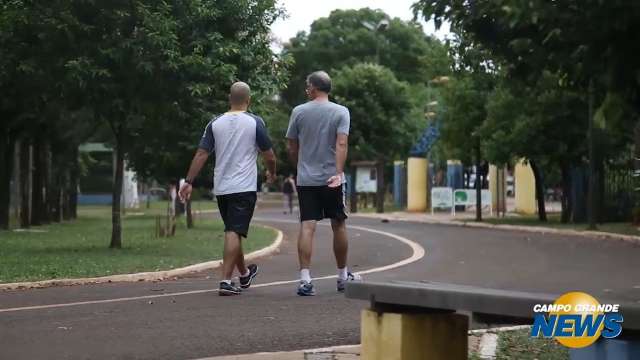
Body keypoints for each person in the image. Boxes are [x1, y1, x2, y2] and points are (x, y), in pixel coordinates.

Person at [179, 82, 276, 296]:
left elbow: (202, 153)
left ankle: (243, 274)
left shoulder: (215, 123)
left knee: (234, 230)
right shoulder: (255, 122)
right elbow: (268, 154)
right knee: (233, 231)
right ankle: (225, 280)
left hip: (222, 188)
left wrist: (188, 181)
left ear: (229, 99)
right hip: (244, 187)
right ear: (248, 100)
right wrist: (272, 172)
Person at [286, 70, 361, 296]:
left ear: (315, 88)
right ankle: (341, 277)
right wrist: (338, 173)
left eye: (308, 86)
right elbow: (341, 144)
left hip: (306, 178)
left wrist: (299, 166)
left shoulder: (298, 111)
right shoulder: (341, 112)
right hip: (332, 179)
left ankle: (305, 280)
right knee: (338, 224)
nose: (306, 89)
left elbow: (291, 145)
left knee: (307, 225)